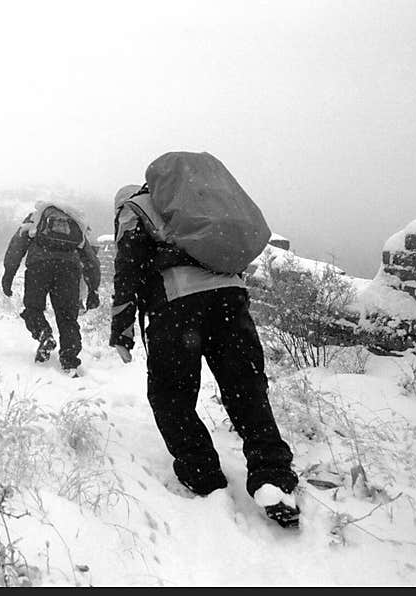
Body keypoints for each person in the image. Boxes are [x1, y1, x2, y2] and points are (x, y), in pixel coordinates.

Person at [109, 183, 301, 527]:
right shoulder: (191, 205)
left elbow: (127, 271)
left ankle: (204, 476)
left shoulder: (133, 209)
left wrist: (121, 330)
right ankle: (273, 477)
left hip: (178, 306)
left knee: (172, 395)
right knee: (246, 391)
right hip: (230, 297)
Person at [2, 202, 101, 376]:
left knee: (33, 309)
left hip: (39, 268)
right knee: (68, 317)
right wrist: (93, 289)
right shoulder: (75, 223)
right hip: (69, 270)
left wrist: (9, 274)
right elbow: (90, 258)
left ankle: (44, 334)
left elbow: (17, 245)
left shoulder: (36, 218)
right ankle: (69, 360)